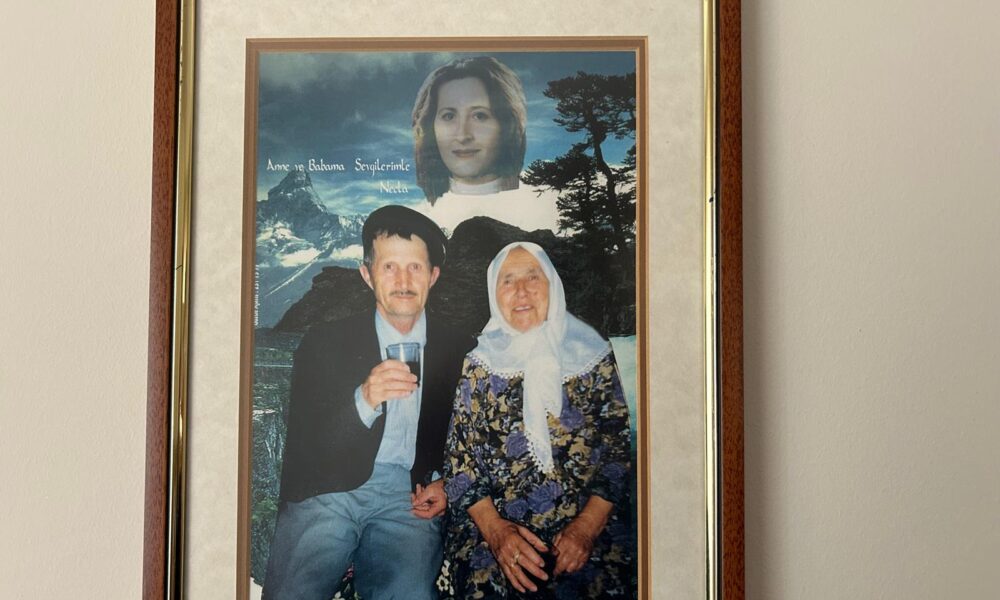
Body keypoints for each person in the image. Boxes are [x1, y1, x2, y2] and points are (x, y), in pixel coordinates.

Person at [263, 205, 475, 600]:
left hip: (410, 494)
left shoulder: (462, 349)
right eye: (389, 267)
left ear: (433, 276)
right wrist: (364, 400)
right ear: (367, 274)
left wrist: (449, 483)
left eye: (415, 267)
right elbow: (306, 446)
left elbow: (476, 440)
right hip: (329, 487)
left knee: (410, 593)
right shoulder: (323, 342)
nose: (403, 281)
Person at [439, 242, 634, 599]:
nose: (521, 291)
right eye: (507, 280)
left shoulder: (593, 356)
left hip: (590, 526)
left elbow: (618, 453)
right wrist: (497, 533)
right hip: (495, 529)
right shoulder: (479, 365)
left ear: (552, 286)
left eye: (533, 277)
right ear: (494, 293)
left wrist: (586, 529)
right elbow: (460, 463)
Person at [412, 56, 560, 234]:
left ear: (506, 125)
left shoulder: (538, 203)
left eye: (480, 116)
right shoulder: (420, 215)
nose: (463, 135)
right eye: (449, 116)